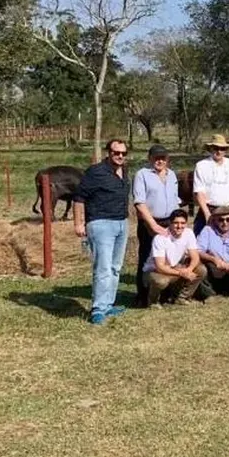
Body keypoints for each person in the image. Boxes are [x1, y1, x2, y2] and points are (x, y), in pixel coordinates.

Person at [73, 139, 131, 325]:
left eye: (123, 153)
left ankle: (108, 304)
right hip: (101, 224)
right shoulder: (95, 172)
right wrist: (78, 224)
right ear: (109, 153)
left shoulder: (124, 171)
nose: (120, 156)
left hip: (121, 223)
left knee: (116, 267)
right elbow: (79, 198)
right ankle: (98, 309)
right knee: (103, 268)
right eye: (116, 153)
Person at [132, 144, 180, 308]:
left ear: (167, 159)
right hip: (150, 222)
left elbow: (176, 199)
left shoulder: (172, 175)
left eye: (163, 158)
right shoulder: (142, 174)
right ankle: (143, 296)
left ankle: (166, 294)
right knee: (147, 257)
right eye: (156, 158)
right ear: (149, 158)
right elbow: (139, 202)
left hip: (170, 221)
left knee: (169, 257)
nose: (159, 161)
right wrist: (152, 224)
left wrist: (178, 221)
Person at [142, 209, 207, 308]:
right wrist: (182, 273)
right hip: (154, 272)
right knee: (161, 281)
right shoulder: (160, 238)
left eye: (182, 223)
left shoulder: (188, 233)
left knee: (201, 270)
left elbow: (195, 257)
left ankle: (182, 298)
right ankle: (152, 302)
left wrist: (188, 270)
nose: (179, 226)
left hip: (174, 268)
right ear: (170, 223)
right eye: (176, 223)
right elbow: (160, 266)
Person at [192, 134, 229, 235]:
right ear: (211, 148)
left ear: (225, 150)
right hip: (209, 209)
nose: (219, 151)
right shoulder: (201, 165)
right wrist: (207, 214)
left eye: (222, 148)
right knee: (202, 240)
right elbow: (199, 192)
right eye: (216, 148)